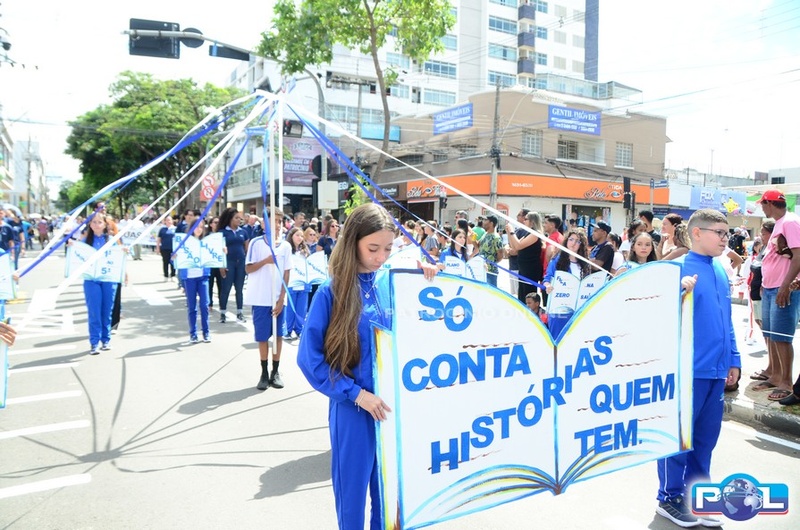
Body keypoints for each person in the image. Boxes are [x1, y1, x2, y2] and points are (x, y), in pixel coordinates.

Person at [297, 203, 438, 530]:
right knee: (352, 501)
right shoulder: (331, 293)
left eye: (388, 248)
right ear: (353, 242)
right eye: (373, 248)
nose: (381, 257)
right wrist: (356, 394)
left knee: (389, 500)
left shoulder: (394, 283)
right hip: (353, 411)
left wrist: (428, 280)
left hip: (391, 409)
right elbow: (309, 359)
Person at [655, 208, 739, 528]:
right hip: (686, 372)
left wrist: (734, 359)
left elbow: (726, 320)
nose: (725, 239)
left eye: (727, 233)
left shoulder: (719, 269)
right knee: (678, 438)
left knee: (705, 441)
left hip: (716, 373)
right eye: (719, 233)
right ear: (697, 233)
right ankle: (669, 497)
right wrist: (678, 293)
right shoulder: (677, 269)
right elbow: (656, 316)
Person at [755, 190, 800, 403]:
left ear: (769, 203)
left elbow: (798, 255)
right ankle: (775, 375)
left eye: (762, 204)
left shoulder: (790, 222)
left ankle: (786, 382)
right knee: (771, 334)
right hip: (771, 287)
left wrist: (785, 286)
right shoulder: (781, 223)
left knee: (781, 336)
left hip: (783, 288)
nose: (762, 208)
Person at [245, 208, 292, 390]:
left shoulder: (286, 246)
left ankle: (275, 371)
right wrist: (266, 261)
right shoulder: (256, 243)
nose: (278, 225)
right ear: (264, 224)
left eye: (280, 221)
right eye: (274, 221)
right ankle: (264, 372)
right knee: (263, 337)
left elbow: (287, 273)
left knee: (278, 336)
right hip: (260, 298)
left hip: (278, 299)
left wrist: (281, 299)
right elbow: (248, 269)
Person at [77, 213, 118, 355]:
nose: (96, 224)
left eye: (99, 222)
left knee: (107, 311)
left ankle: (106, 340)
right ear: (90, 224)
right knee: (94, 311)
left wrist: (124, 252)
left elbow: (119, 257)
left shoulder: (112, 240)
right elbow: (76, 256)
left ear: (105, 224)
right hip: (91, 280)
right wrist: (71, 247)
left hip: (108, 279)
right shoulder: (84, 242)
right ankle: (94, 342)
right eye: (93, 222)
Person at [180, 222, 211, 343]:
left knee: (204, 305)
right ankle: (193, 333)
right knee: (192, 307)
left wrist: (223, 252)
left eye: (201, 227)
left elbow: (215, 257)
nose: (199, 229)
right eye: (197, 227)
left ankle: (206, 332)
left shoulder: (206, 242)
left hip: (203, 277)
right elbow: (175, 260)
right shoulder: (184, 242)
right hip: (189, 278)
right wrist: (174, 258)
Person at [218, 207, 249, 323]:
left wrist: (247, 264)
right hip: (228, 263)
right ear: (230, 219)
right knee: (225, 289)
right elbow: (218, 251)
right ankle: (222, 313)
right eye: (236, 218)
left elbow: (247, 249)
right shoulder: (222, 232)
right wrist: (221, 266)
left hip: (240, 263)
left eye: (240, 218)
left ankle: (240, 313)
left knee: (239, 289)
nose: (239, 220)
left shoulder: (243, 232)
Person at [505, 211, 543, 305]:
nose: (524, 221)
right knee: (522, 295)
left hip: (530, 269)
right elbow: (514, 247)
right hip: (523, 268)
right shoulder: (527, 233)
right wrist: (509, 233)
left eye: (526, 219)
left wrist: (512, 231)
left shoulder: (535, 234)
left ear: (532, 221)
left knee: (529, 295)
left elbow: (518, 246)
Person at [283, 227, 311, 341]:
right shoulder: (287, 250)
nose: (300, 238)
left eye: (301, 236)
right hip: (291, 283)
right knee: (290, 309)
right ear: (291, 236)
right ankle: (288, 330)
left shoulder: (305, 251)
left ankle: (299, 330)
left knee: (301, 309)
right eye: (297, 235)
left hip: (303, 284)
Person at [506, 209, 530, 297]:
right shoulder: (518, 230)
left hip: (518, 268)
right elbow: (509, 245)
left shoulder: (526, 232)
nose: (517, 216)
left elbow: (515, 250)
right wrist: (508, 249)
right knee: (514, 294)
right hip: (512, 266)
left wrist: (510, 251)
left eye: (519, 215)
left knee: (519, 295)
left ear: (525, 217)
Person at [477, 215, 505, 287]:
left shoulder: (496, 237)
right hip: (481, 269)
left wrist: (492, 263)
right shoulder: (485, 234)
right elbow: (478, 246)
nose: (483, 222)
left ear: (491, 223)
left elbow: (500, 255)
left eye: (485, 220)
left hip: (490, 271)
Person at [206, 216, 222, 313]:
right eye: (215, 222)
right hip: (209, 263)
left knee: (221, 285)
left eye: (218, 222)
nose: (217, 224)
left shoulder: (222, 234)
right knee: (209, 285)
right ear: (211, 224)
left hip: (220, 263)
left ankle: (221, 304)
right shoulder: (206, 235)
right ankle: (210, 303)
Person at [156, 216, 177, 281]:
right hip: (164, 248)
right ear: (165, 221)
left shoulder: (175, 229)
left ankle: (173, 275)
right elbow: (159, 239)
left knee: (173, 263)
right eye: (167, 220)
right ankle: (166, 275)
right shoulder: (162, 229)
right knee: (165, 262)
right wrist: (158, 248)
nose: (168, 221)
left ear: (172, 221)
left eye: (170, 220)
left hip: (173, 249)